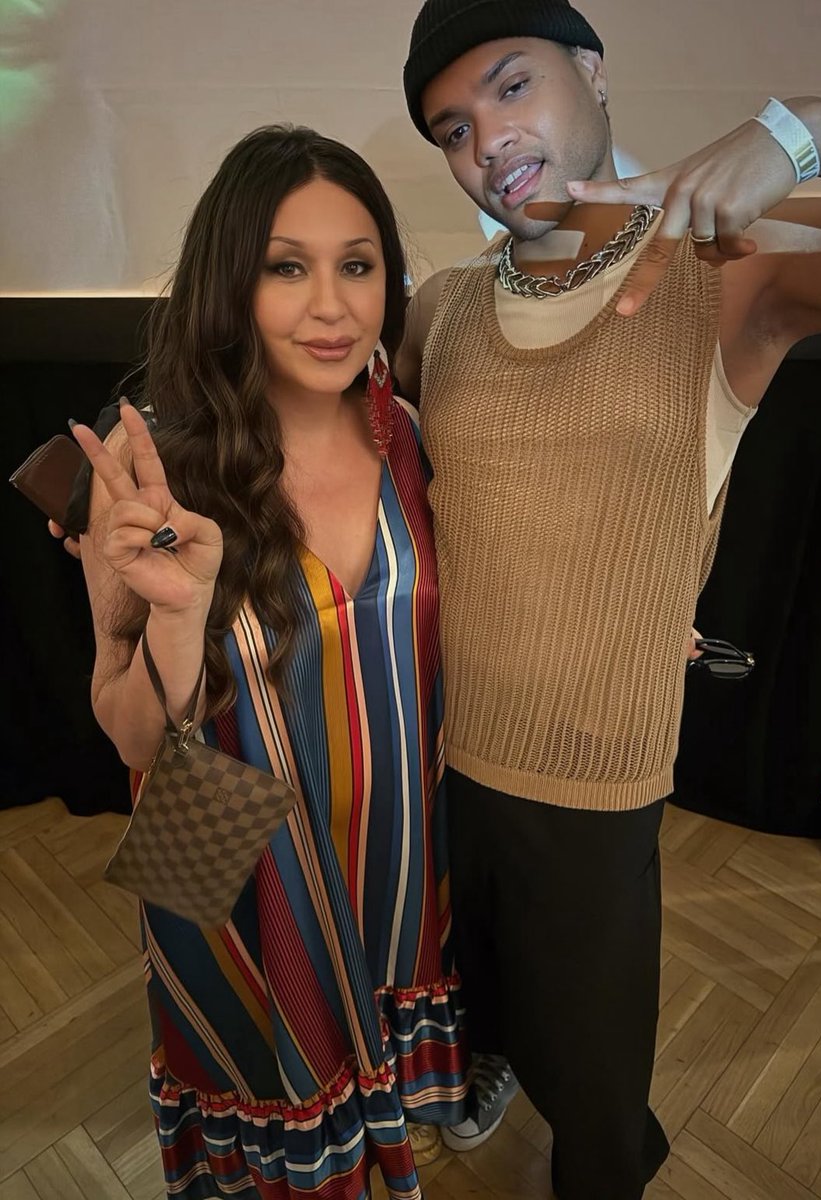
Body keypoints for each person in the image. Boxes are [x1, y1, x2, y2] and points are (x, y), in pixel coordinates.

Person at [395, 1, 821, 1196]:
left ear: (590, 68)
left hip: (593, 777)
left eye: (512, 87)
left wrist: (802, 134)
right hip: (446, 752)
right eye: (453, 128)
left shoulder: (723, 271)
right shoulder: (445, 309)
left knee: (599, 1115)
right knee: (491, 994)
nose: (487, 142)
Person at [66, 123, 515, 1200]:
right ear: (232, 281)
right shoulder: (152, 465)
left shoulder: (404, 430)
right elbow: (129, 733)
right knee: (266, 1098)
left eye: (356, 264)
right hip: (222, 837)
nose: (331, 304)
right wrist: (176, 623)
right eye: (286, 267)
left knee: (378, 1060)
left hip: (391, 833)